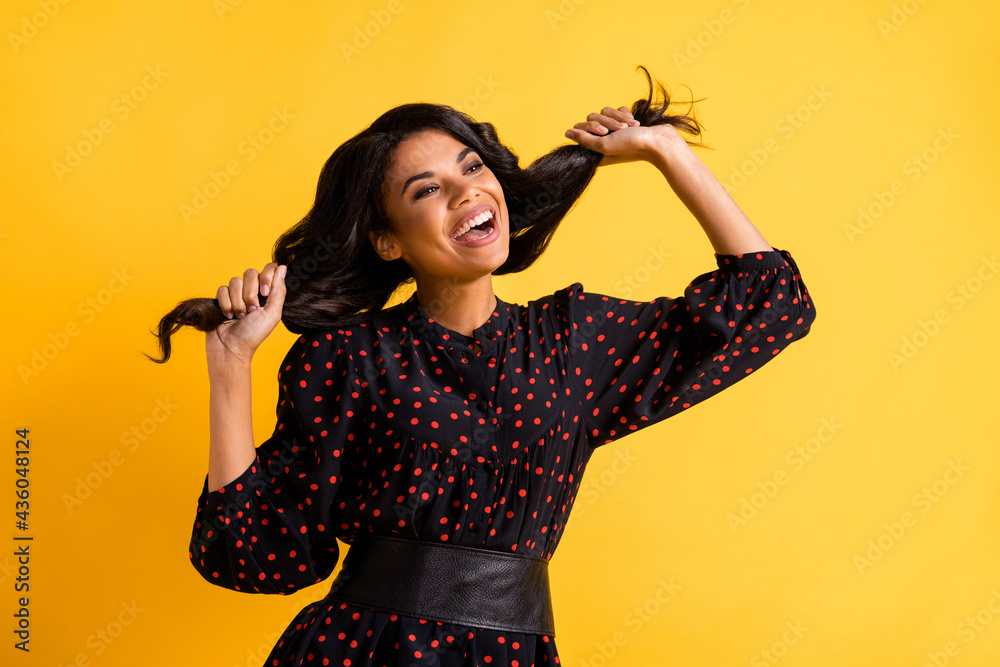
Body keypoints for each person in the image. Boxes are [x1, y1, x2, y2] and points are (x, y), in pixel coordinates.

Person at [147, 65, 817, 666]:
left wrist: (666, 152)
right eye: (426, 190)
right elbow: (255, 552)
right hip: (361, 649)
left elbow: (770, 303)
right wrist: (231, 363)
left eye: (472, 168)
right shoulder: (347, 358)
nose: (466, 192)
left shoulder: (571, 341)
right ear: (387, 240)